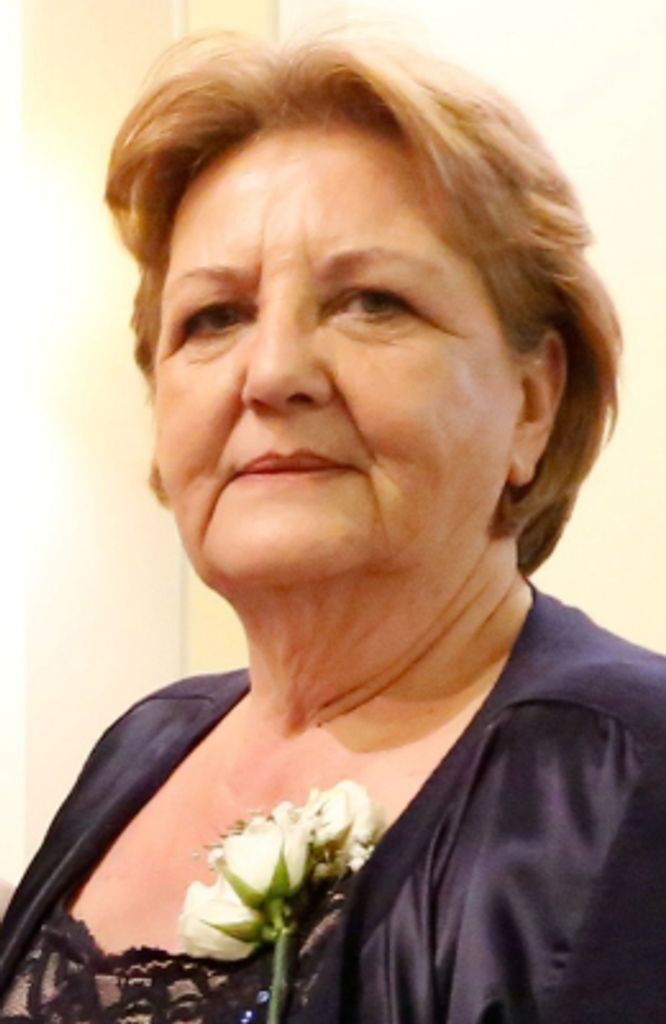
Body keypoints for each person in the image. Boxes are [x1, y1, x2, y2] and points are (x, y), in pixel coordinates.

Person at [1, 28, 666, 1024]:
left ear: (532, 401)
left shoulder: (626, 774)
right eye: (214, 317)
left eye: (371, 302)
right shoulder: (144, 744)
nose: (272, 374)